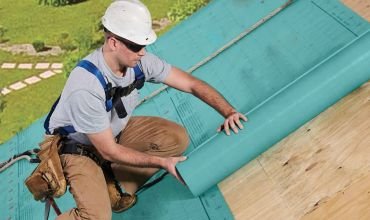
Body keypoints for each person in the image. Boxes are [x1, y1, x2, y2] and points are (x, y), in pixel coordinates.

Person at [46, 0, 247, 219]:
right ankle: (98, 188)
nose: (142, 52)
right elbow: (108, 151)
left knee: (175, 138)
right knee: (96, 217)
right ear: (113, 43)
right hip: (77, 148)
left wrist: (228, 111)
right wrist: (162, 162)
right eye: (136, 46)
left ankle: (115, 187)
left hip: (111, 132)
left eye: (144, 45)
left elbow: (191, 83)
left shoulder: (139, 61)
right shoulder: (86, 87)